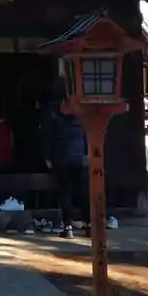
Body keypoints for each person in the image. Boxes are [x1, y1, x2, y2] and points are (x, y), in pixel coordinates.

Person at [41, 79, 88, 238]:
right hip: (78, 155)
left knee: (66, 192)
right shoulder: (81, 112)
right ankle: (88, 224)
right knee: (81, 192)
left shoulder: (53, 113)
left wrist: (47, 156)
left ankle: (68, 226)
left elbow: (47, 136)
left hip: (64, 156)